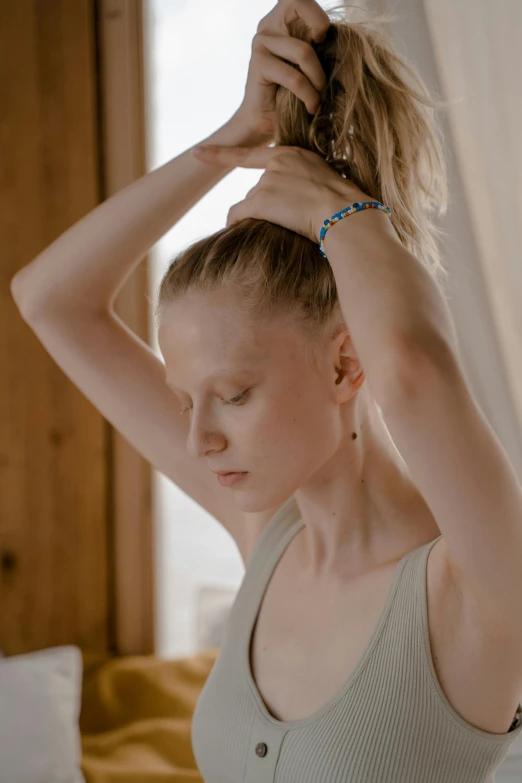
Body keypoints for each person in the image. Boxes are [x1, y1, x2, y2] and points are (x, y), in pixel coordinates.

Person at [11, 1, 522, 781]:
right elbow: (49, 298)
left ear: (348, 366)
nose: (197, 439)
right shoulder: (268, 534)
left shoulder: (477, 578)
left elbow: (415, 365)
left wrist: (341, 211)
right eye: (186, 400)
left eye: (235, 394)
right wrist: (226, 148)